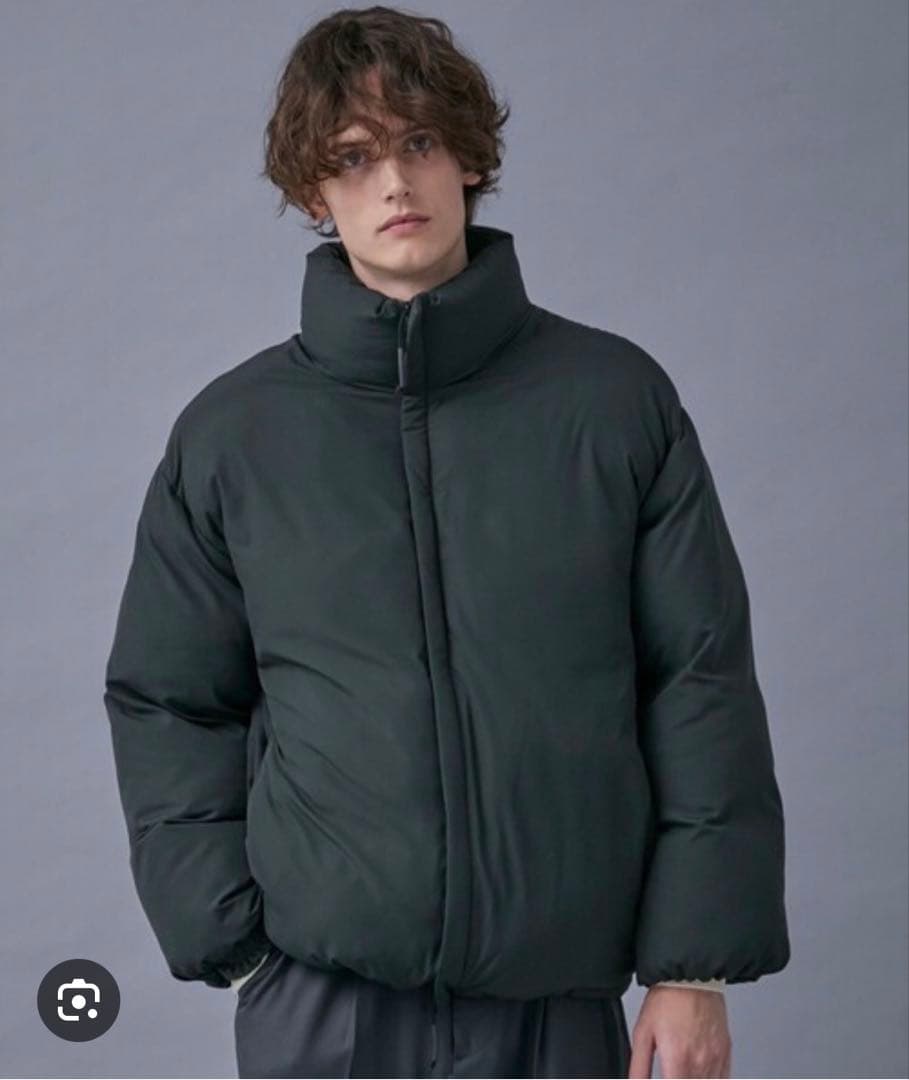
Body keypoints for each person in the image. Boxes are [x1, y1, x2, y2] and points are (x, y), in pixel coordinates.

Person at [103, 6, 790, 1078]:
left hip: (555, 1006)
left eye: (419, 141)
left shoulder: (614, 404)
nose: (394, 182)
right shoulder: (233, 437)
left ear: (469, 156)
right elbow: (169, 698)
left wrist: (691, 969)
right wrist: (234, 948)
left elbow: (697, 679)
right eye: (353, 156)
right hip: (322, 1007)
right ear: (312, 191)